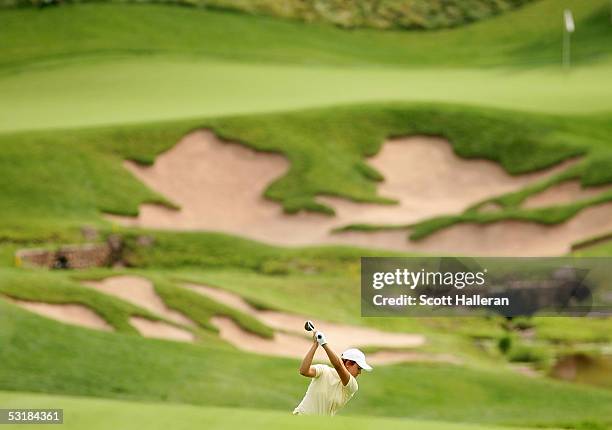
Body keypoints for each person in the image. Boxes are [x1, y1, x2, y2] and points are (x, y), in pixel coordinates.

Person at [293, 330, 372, 416]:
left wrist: (324, 344)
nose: (360, 372)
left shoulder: (352, 386)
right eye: (359, 368)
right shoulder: (323, 370)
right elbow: (303, 371)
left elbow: (339, 366)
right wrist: (315, 344)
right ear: (349, 363)